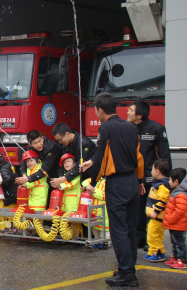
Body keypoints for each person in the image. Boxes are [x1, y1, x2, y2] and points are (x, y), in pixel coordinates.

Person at [82, 92, 144, 287]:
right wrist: (140, 180)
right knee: (130, 228)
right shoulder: (131, 127)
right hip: (133, 180)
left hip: (117, 183)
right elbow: (139, 156)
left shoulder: (106, 127)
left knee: (118, 230)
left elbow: (101, 158)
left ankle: (126, 273)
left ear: (100, 110)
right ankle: (129, 267)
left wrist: (92, 180)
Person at [127, 99, 172, 249]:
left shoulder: (157, 128)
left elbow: (165, 155)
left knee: (152, 209)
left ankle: (151, 239)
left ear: (139, 115)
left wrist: (166, 179)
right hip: (133, 177)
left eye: (131, 110)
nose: (127, 111)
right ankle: (139, 238)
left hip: (151, 178)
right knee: (137, 208)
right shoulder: (128, 129)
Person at [16, 130, 63, 208]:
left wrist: (28, 178)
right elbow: (23, 161)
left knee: (52, 197)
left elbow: (44, 170)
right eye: (35, 143)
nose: (39, 145)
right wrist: (24, 174)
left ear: (42, 138)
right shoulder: (31, 147)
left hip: (56, 171)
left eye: (40, 141)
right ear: (30, 144)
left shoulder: (51, 147)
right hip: (43, 173)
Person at [143, 158, 171, 262]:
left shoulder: (162, 185)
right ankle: (152, 251)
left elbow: (162, 201)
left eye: (152, 169)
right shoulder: (158, 183)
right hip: (154, 216)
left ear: (158, 171)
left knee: (154, 234)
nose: (151, 172)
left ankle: (158, 252)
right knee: (151, 233)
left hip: (157, 216)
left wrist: (155, 212)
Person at [51, 123, 95, 188]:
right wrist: (60, 178)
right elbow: (62, 162)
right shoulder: (65, 144)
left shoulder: (85, 143)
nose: (60, 142)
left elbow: (80, 166)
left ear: (67, 134)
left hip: (89, 177)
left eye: (60, 140)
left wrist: (63, 179)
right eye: (57, 141)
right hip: (73, 177)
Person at [163, 168, 187, 269]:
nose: (169, 181)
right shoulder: (176, 192)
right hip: (174, 225)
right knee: (174, 242)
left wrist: (171, 219)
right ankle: (176, 257)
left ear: (176, 181)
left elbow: (180, 211)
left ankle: (182, 260)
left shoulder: (180, 194)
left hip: (178, 225)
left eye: (170, 179)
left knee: (180, 243)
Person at [82, 177, 110, 248]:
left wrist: (92, 190)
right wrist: (88, 186)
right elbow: (85, 182)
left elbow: (105, 195)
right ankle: (97, 241)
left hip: (105, 211)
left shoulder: (110, 181)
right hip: (94, 209)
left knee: (105, 230)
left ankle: (106, 242)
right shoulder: (97, 179)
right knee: (94, 227)